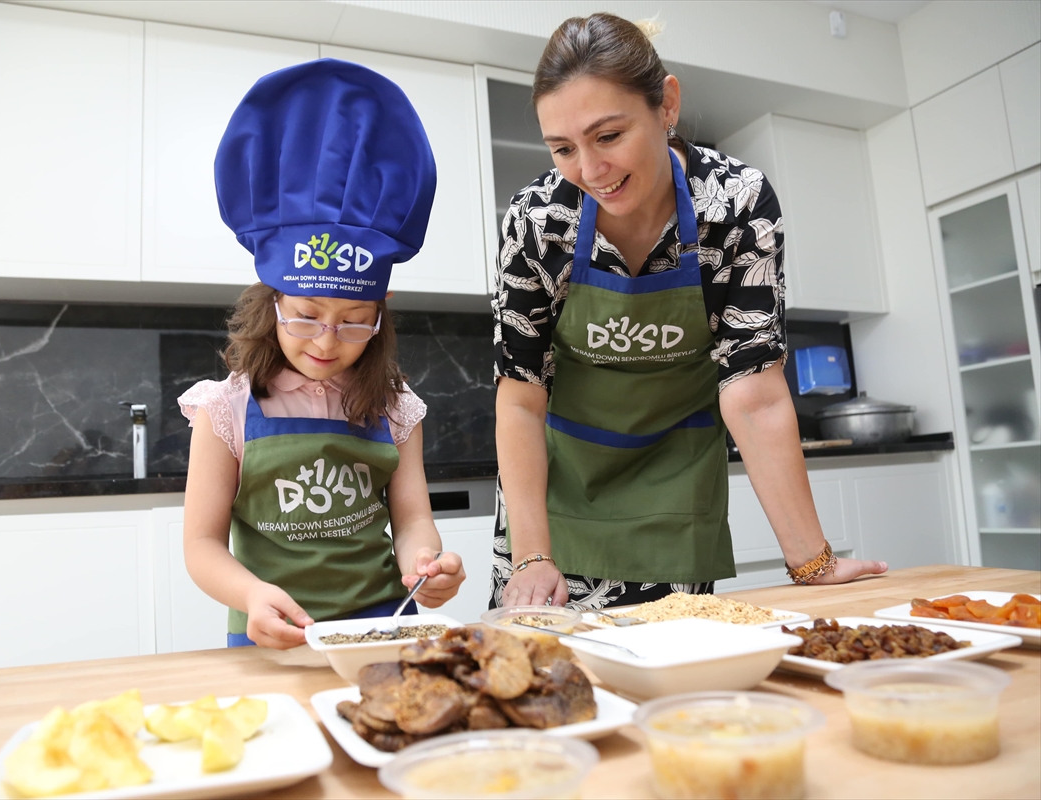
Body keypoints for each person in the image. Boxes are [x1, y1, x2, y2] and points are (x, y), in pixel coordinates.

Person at [491, 14, 888, 612]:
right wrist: (531, 556)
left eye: (608, 136)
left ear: (667, 105)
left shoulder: (735, 205)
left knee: (672, 662)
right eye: (563, 148)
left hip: (672, 497)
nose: (590, 171)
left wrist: (813, 562)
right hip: (550, 504)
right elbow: (521, 397)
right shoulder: (537, 220)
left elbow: (754, 395)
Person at [179, 59, 465, 649]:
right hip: (273, 636)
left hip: (384, 628)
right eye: (306, 316)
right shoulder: (225, 409)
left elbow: (412, 518)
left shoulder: (395, 406)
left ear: (381, 315)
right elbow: (201, 545)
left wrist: (426, 564)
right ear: (272, 302)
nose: (327, 341)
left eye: (355, 322)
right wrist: (251, 595)